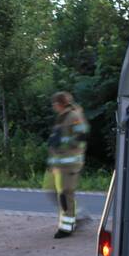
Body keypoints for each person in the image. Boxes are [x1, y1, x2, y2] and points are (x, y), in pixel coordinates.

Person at [46, 91, 89, 238]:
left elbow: (81, 137)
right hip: (61, 165)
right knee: (59, 193)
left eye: (55, 104)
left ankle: (67, 227)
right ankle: (75, 219)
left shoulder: (73, 116)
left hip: (70, 164)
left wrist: (63, 142)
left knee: (65, 194)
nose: (54, 107)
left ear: (60, 103)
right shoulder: (63, 117)